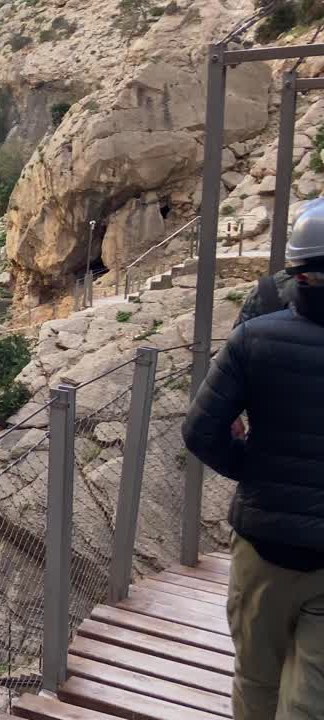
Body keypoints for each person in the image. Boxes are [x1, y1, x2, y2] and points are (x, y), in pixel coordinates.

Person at [182, 199, 324, 720]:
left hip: (263, 544)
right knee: (311, 702)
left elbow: (200, 431)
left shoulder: (255, 336)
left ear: (295, 271)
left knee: (256, 679)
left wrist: (256, 467)